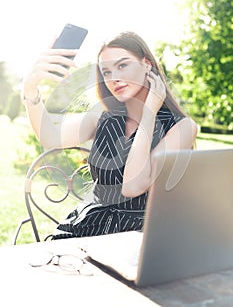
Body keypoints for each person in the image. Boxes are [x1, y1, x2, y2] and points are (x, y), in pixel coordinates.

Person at [22, 31, 197, 239]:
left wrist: (149, 115)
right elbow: (49, 136)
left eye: (122, 65)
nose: (114, 78)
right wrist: (30, 88)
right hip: (85, 232)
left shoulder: (182, 127)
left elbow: (133, 186)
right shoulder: (103, 118)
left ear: (147, 64)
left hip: (137, 239)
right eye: (106, 72)